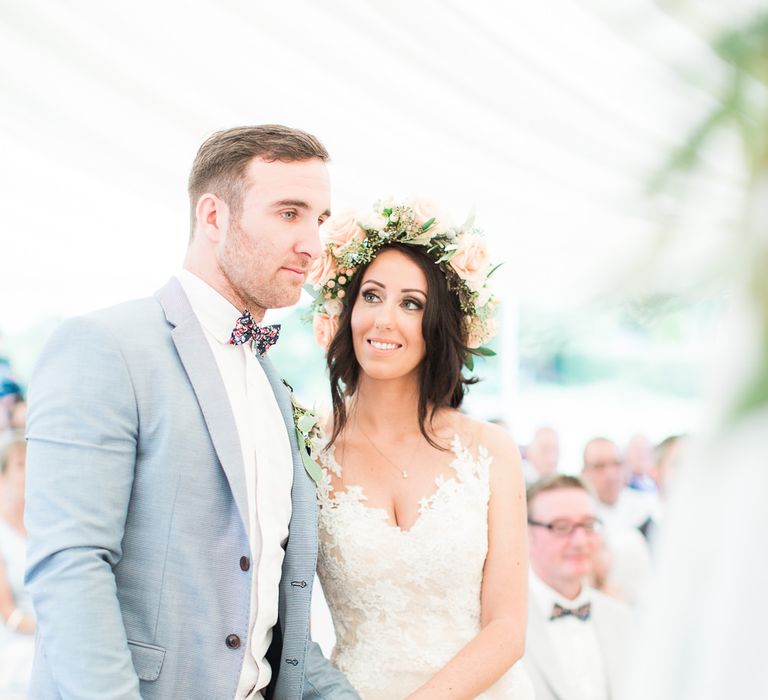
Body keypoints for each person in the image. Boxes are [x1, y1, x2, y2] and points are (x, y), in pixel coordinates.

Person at [24, 125, 358, 700]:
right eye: (289, 213)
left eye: (320, 219)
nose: (313, 244)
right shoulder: (104, 345)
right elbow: (70, 567)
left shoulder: (272, 379)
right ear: (213, 217)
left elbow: (276, 618)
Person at [307, 199, 534, 699]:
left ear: (439, 326)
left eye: (411, 303)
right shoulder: (304, 445)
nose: (384, 319)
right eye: (371, 296)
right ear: (345, 310)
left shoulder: (490, 449)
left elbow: (507, 629)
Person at [524, 474, 632, 700]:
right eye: (562, 527)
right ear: (526, 533)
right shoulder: (506, 622)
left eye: (589, 525)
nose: (581, 541)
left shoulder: (623, 618)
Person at [581, 438, 652, 605]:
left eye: (617, 464)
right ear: (584, 472)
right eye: (600, 466)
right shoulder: (578, 517)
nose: (611, 474)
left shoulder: (645, 509)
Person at [0, 430, 35, 697]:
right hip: (18, 648)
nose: (26, 473)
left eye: (30, 464)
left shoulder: (41, 525)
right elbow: (8, 612)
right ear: (3, 475)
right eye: (19, 466)